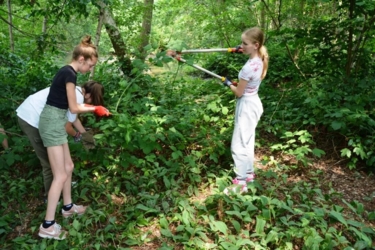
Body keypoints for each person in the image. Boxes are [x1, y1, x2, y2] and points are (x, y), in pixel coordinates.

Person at [36, 35, 110, 240]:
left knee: (68, 167)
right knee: (60, 174)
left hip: (56, 121)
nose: (90, 70)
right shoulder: (69, 74)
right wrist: (95, 108)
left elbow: (72, 108)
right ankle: (47, 226)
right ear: (81, 60)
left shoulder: (68, 72)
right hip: (51, 123)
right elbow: (74, 107)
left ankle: (68, 207)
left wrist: (95, 107)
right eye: (90, 65)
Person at [16, 80, 104, 199]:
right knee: (49, 161)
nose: (91, 103)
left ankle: (62, 184)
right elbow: (67, 126)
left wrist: (86, 137)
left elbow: (73, 119)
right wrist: (77, 136)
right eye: (92, 100)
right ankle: (50, 196)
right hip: (32, 119)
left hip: (31, 112)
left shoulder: (75, 91)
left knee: (58, 159)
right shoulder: (77, 97)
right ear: (88, 95)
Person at [223, 27, 269, 195]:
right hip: (254, 102)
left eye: (245, 43)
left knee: (239, 144)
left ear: (255, 45)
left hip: (247, 105)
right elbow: (247, 86)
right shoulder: (261, 58)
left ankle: (240, 183)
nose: (241, 46)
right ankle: (248, 175)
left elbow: (239, 92)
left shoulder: (248, 68)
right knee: (247, 141)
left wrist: (228, 83)